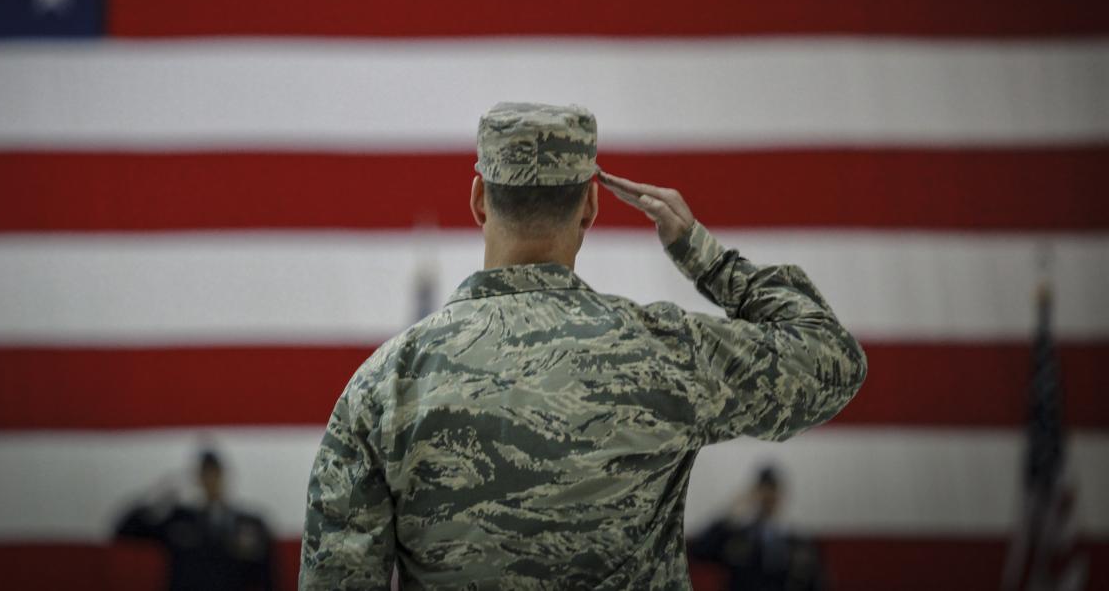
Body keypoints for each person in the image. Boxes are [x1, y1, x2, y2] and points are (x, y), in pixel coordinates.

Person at [300, 102, 867, 589]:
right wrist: (705, 257)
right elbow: (831, 360)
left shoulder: (385, 384)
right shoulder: (664, 352)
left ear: (478, 200)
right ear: (591, 208)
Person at [115, 448, 276, 591]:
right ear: (198, 479)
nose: (211, 480)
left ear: (223, 475)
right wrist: (157, 499)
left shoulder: (250, 524)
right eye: (205, 474)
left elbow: (267, 577)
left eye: (215, 473)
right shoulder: (178, 519)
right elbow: (125, 530)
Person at [688, 465, 827, 591]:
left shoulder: (798, 543)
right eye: (763, 490)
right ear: (754, 494)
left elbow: (815, 583)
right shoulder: (736, 537)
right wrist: (729, 515)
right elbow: (699, 551)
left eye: (772, 490)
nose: (768, 496)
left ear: (780, 494)